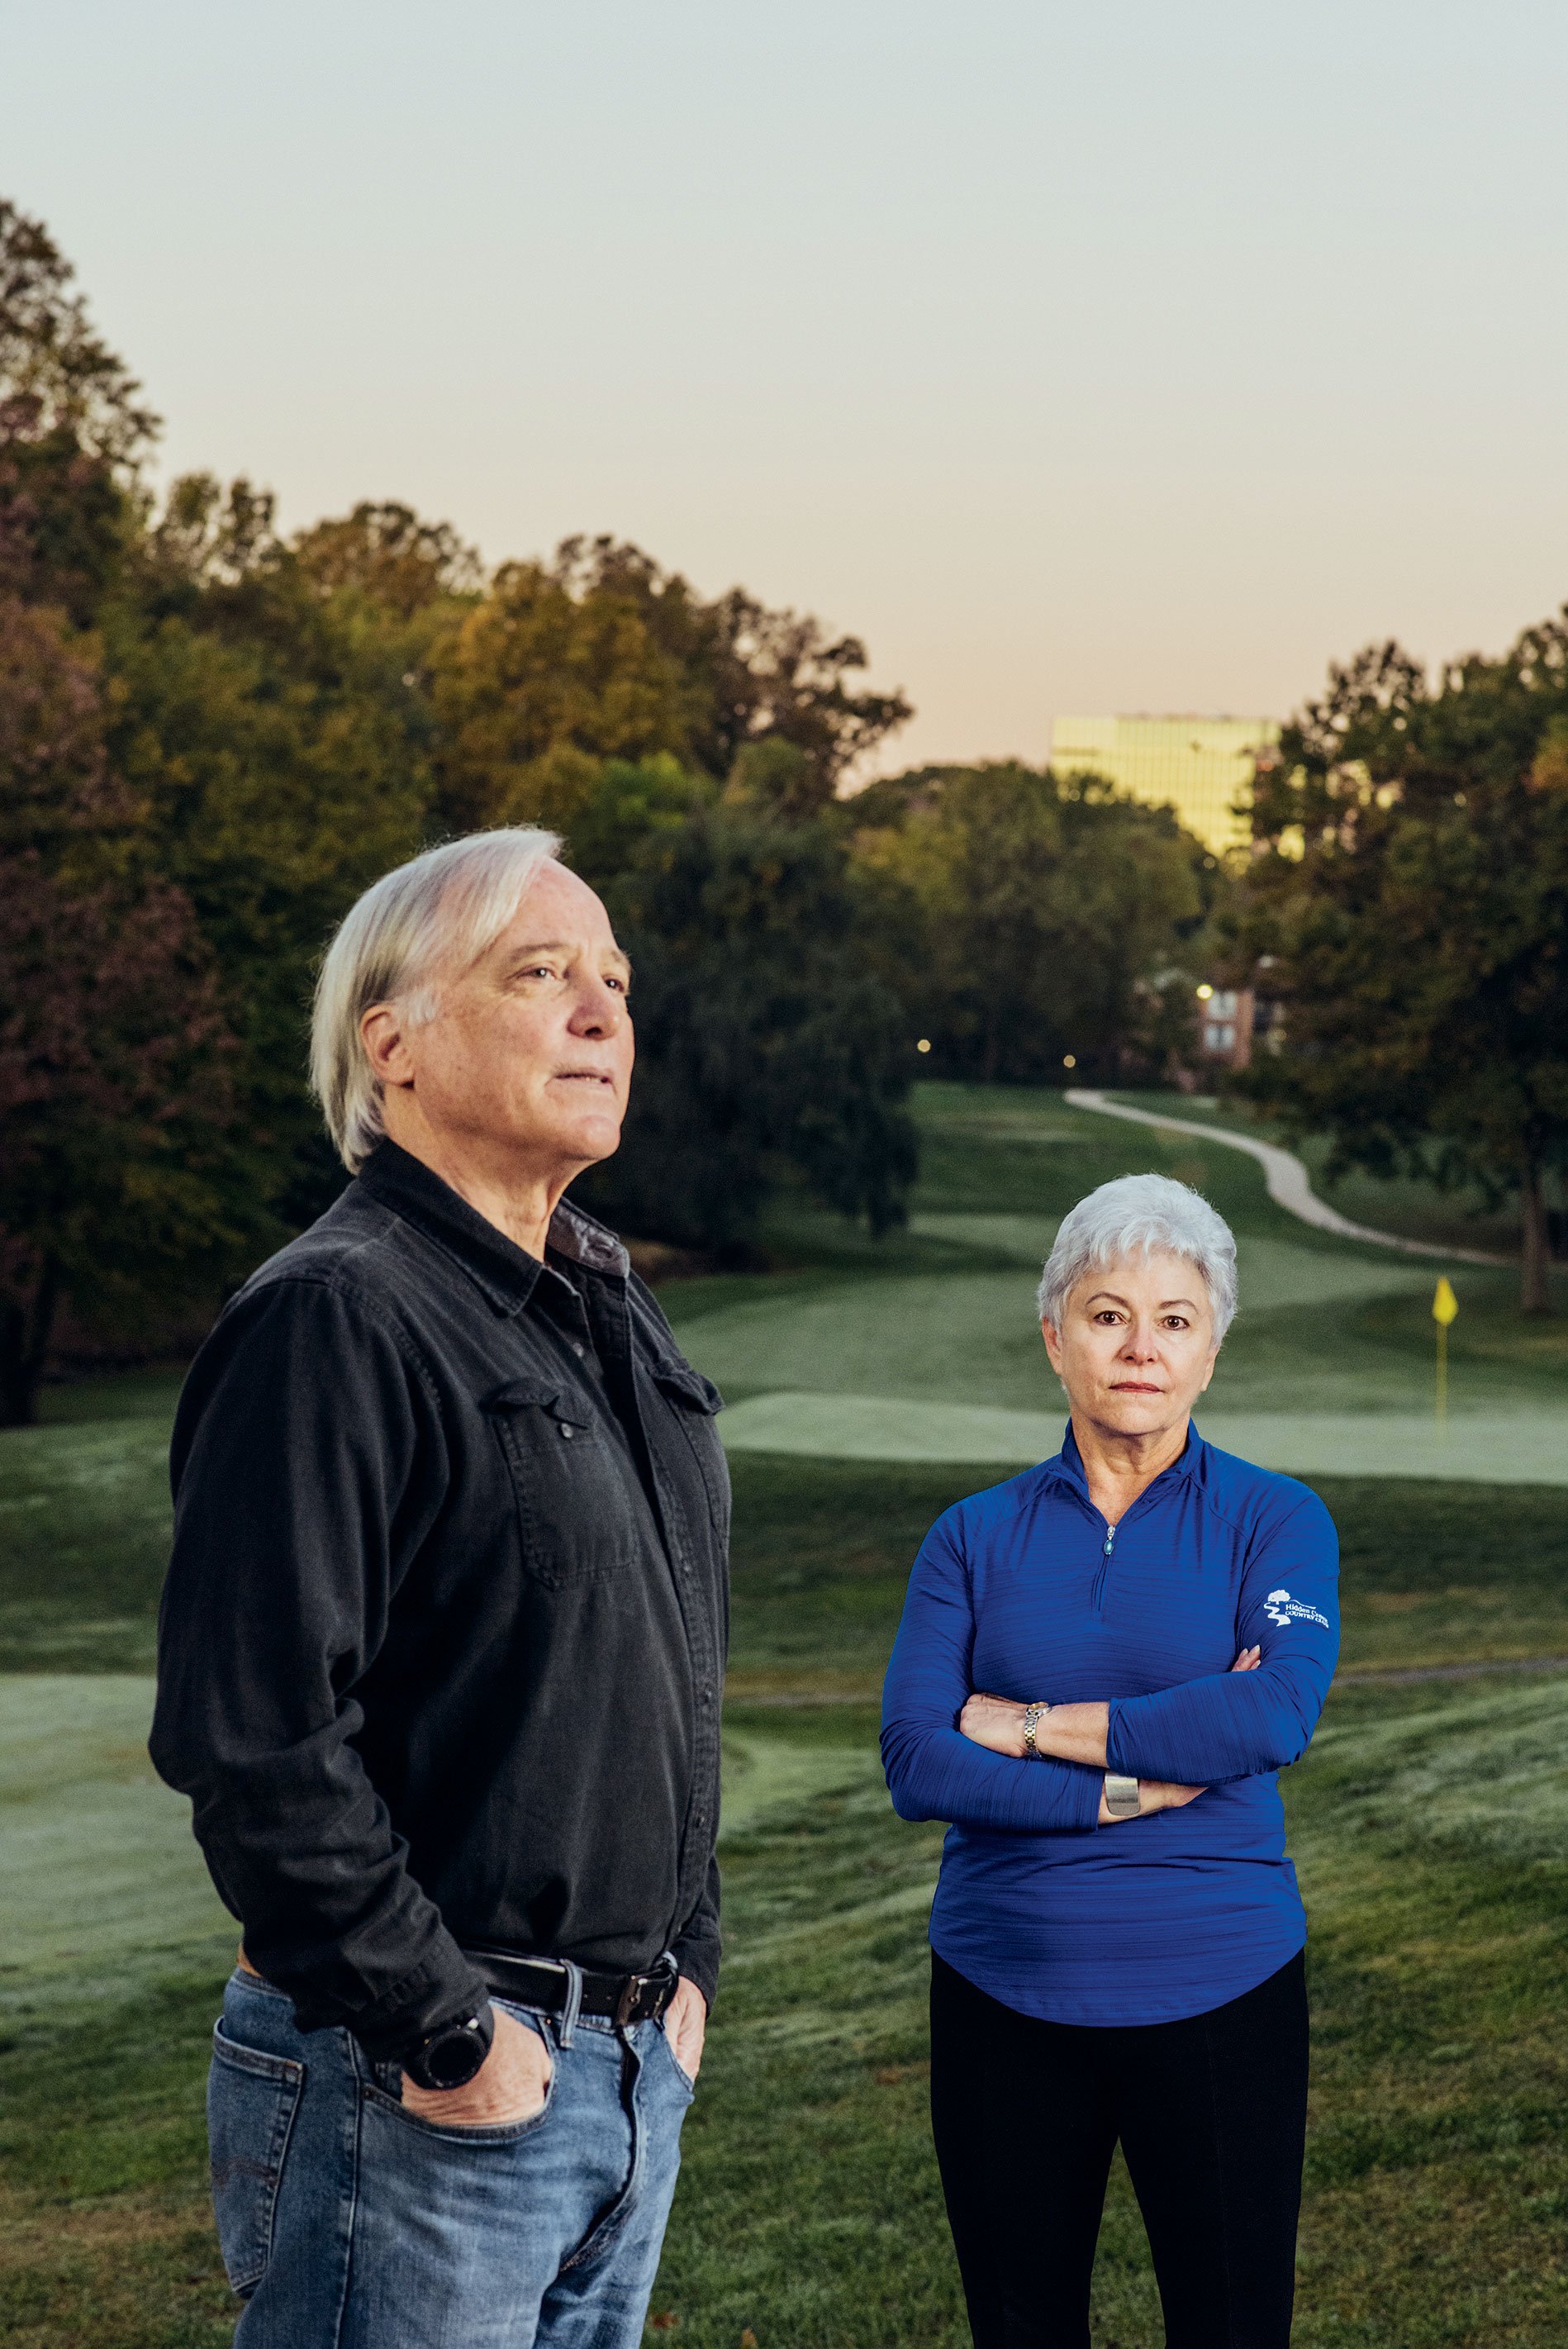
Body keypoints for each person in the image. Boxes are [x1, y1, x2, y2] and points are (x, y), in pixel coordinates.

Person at [150, 827, 729, 2349]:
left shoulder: (609, 1315)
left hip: (617, 2080)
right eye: (538, 975)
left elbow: (666, 1663)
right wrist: (451, 2034)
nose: (600, 1010)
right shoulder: (334, 1317)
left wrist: (689, 1962)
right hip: (416, 2087)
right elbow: (255, 1736)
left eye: (611, 979)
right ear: (389, 1042)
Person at [881, 1173, 1339, 2349]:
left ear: (1211, 1347)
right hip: (999, 1995)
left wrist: (1031, 1725)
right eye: (1106, 1314)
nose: (1141, 1347)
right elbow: (918, 1761)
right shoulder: (970, 1538)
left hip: (1222, 1986)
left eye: (1174, 1319)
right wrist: (1134, 1783)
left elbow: (1270, 1720)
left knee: (1231, 2329)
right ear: (1053, 1336)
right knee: (1021, 2329)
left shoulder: (1274, 1520)